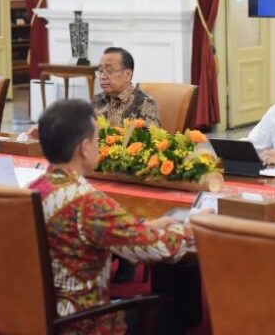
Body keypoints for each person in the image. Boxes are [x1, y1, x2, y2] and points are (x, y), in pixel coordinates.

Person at [29, 98, 195, 334]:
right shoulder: (88, 203)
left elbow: (90, 229)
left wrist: (144, 225)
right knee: (174, 313)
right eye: (96, 139)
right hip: (82, 323)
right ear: (85, 147)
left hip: (36, 315)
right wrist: (192, 226)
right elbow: (159, 249)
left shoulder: (35, 188)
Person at [92, 46, 160, 127]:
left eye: (109, 70)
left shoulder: (145, 104)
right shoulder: (96, 101)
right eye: (101, 71)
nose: (102, 76)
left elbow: (151, 139)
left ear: (127, 75)